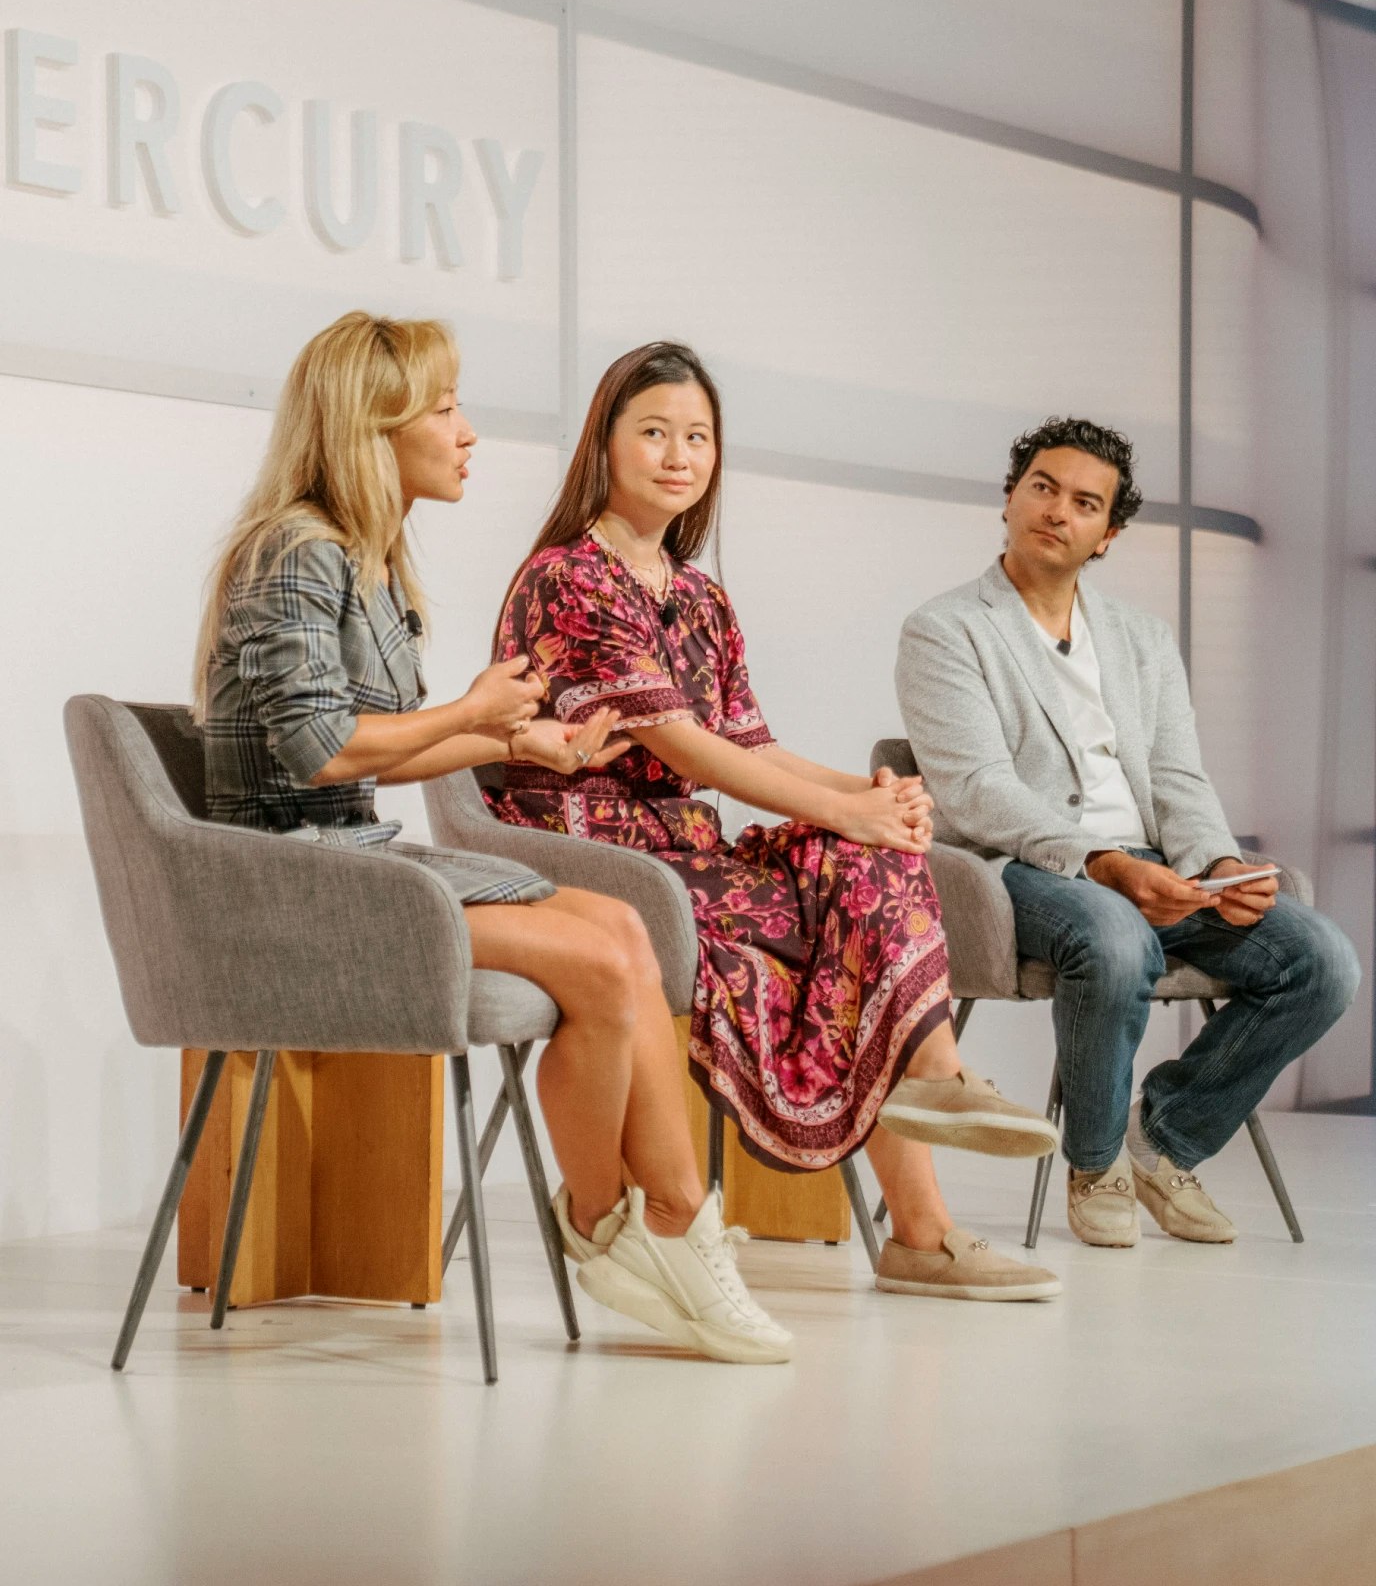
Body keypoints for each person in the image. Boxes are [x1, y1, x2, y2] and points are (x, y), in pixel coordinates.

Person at [193, 310, 793, 1364]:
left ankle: (667, 1224)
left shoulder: (367, 559)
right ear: (370, 425)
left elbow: (373, 753)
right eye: (443, 409)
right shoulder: (296, 551)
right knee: (601, 961)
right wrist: (471, 713)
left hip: (352, 860)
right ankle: (621, 1228)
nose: (466, 431)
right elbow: (320, 752)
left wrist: (519, 740)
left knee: (625, 930)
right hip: (288, 880)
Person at [490, 340, 1062, 1303]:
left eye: (698, 437)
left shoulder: (699, 594)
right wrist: (848, 809)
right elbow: (684, 749)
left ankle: (930, 1153)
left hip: (685, 854)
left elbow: (752, 745)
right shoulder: (569, 577)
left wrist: (871, 795)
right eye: (655, 433)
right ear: (604, 443)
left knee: (864, 869)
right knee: (850, 878)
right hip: (594, 859)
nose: (679, 455)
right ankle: (925, 1187)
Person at [897, 417, 1361, 1247]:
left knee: (1322, 961)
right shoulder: (946, 628)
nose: (1057, 510)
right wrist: (1106, 864)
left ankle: (1162, 1137)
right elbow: (976, 790)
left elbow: (1179, 777)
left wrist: (1218, 863)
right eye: (1043, 488)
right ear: (1010, 498)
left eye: (1085, 503)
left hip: (1154, 866)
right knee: (1115, 938)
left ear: (1107, 535)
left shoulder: (1143, 640)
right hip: (1019, 870)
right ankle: (1096, 1161)